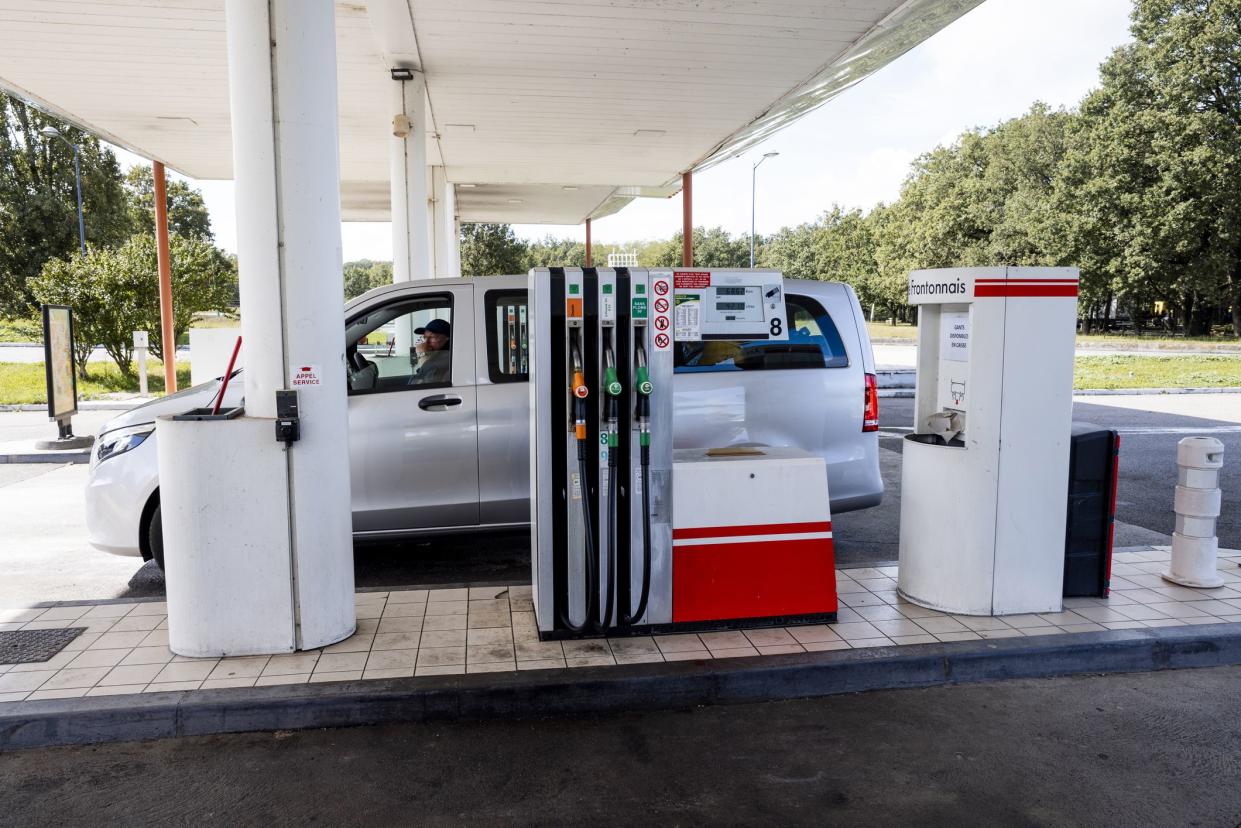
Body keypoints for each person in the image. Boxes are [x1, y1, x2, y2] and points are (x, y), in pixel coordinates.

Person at [410, 318, 452, 385]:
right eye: (425, 337)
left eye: (432, 337)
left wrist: (423, 355)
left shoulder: (448, 358)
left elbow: (429, 383)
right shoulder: (436, 355)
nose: (426, 342)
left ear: (447, 338)